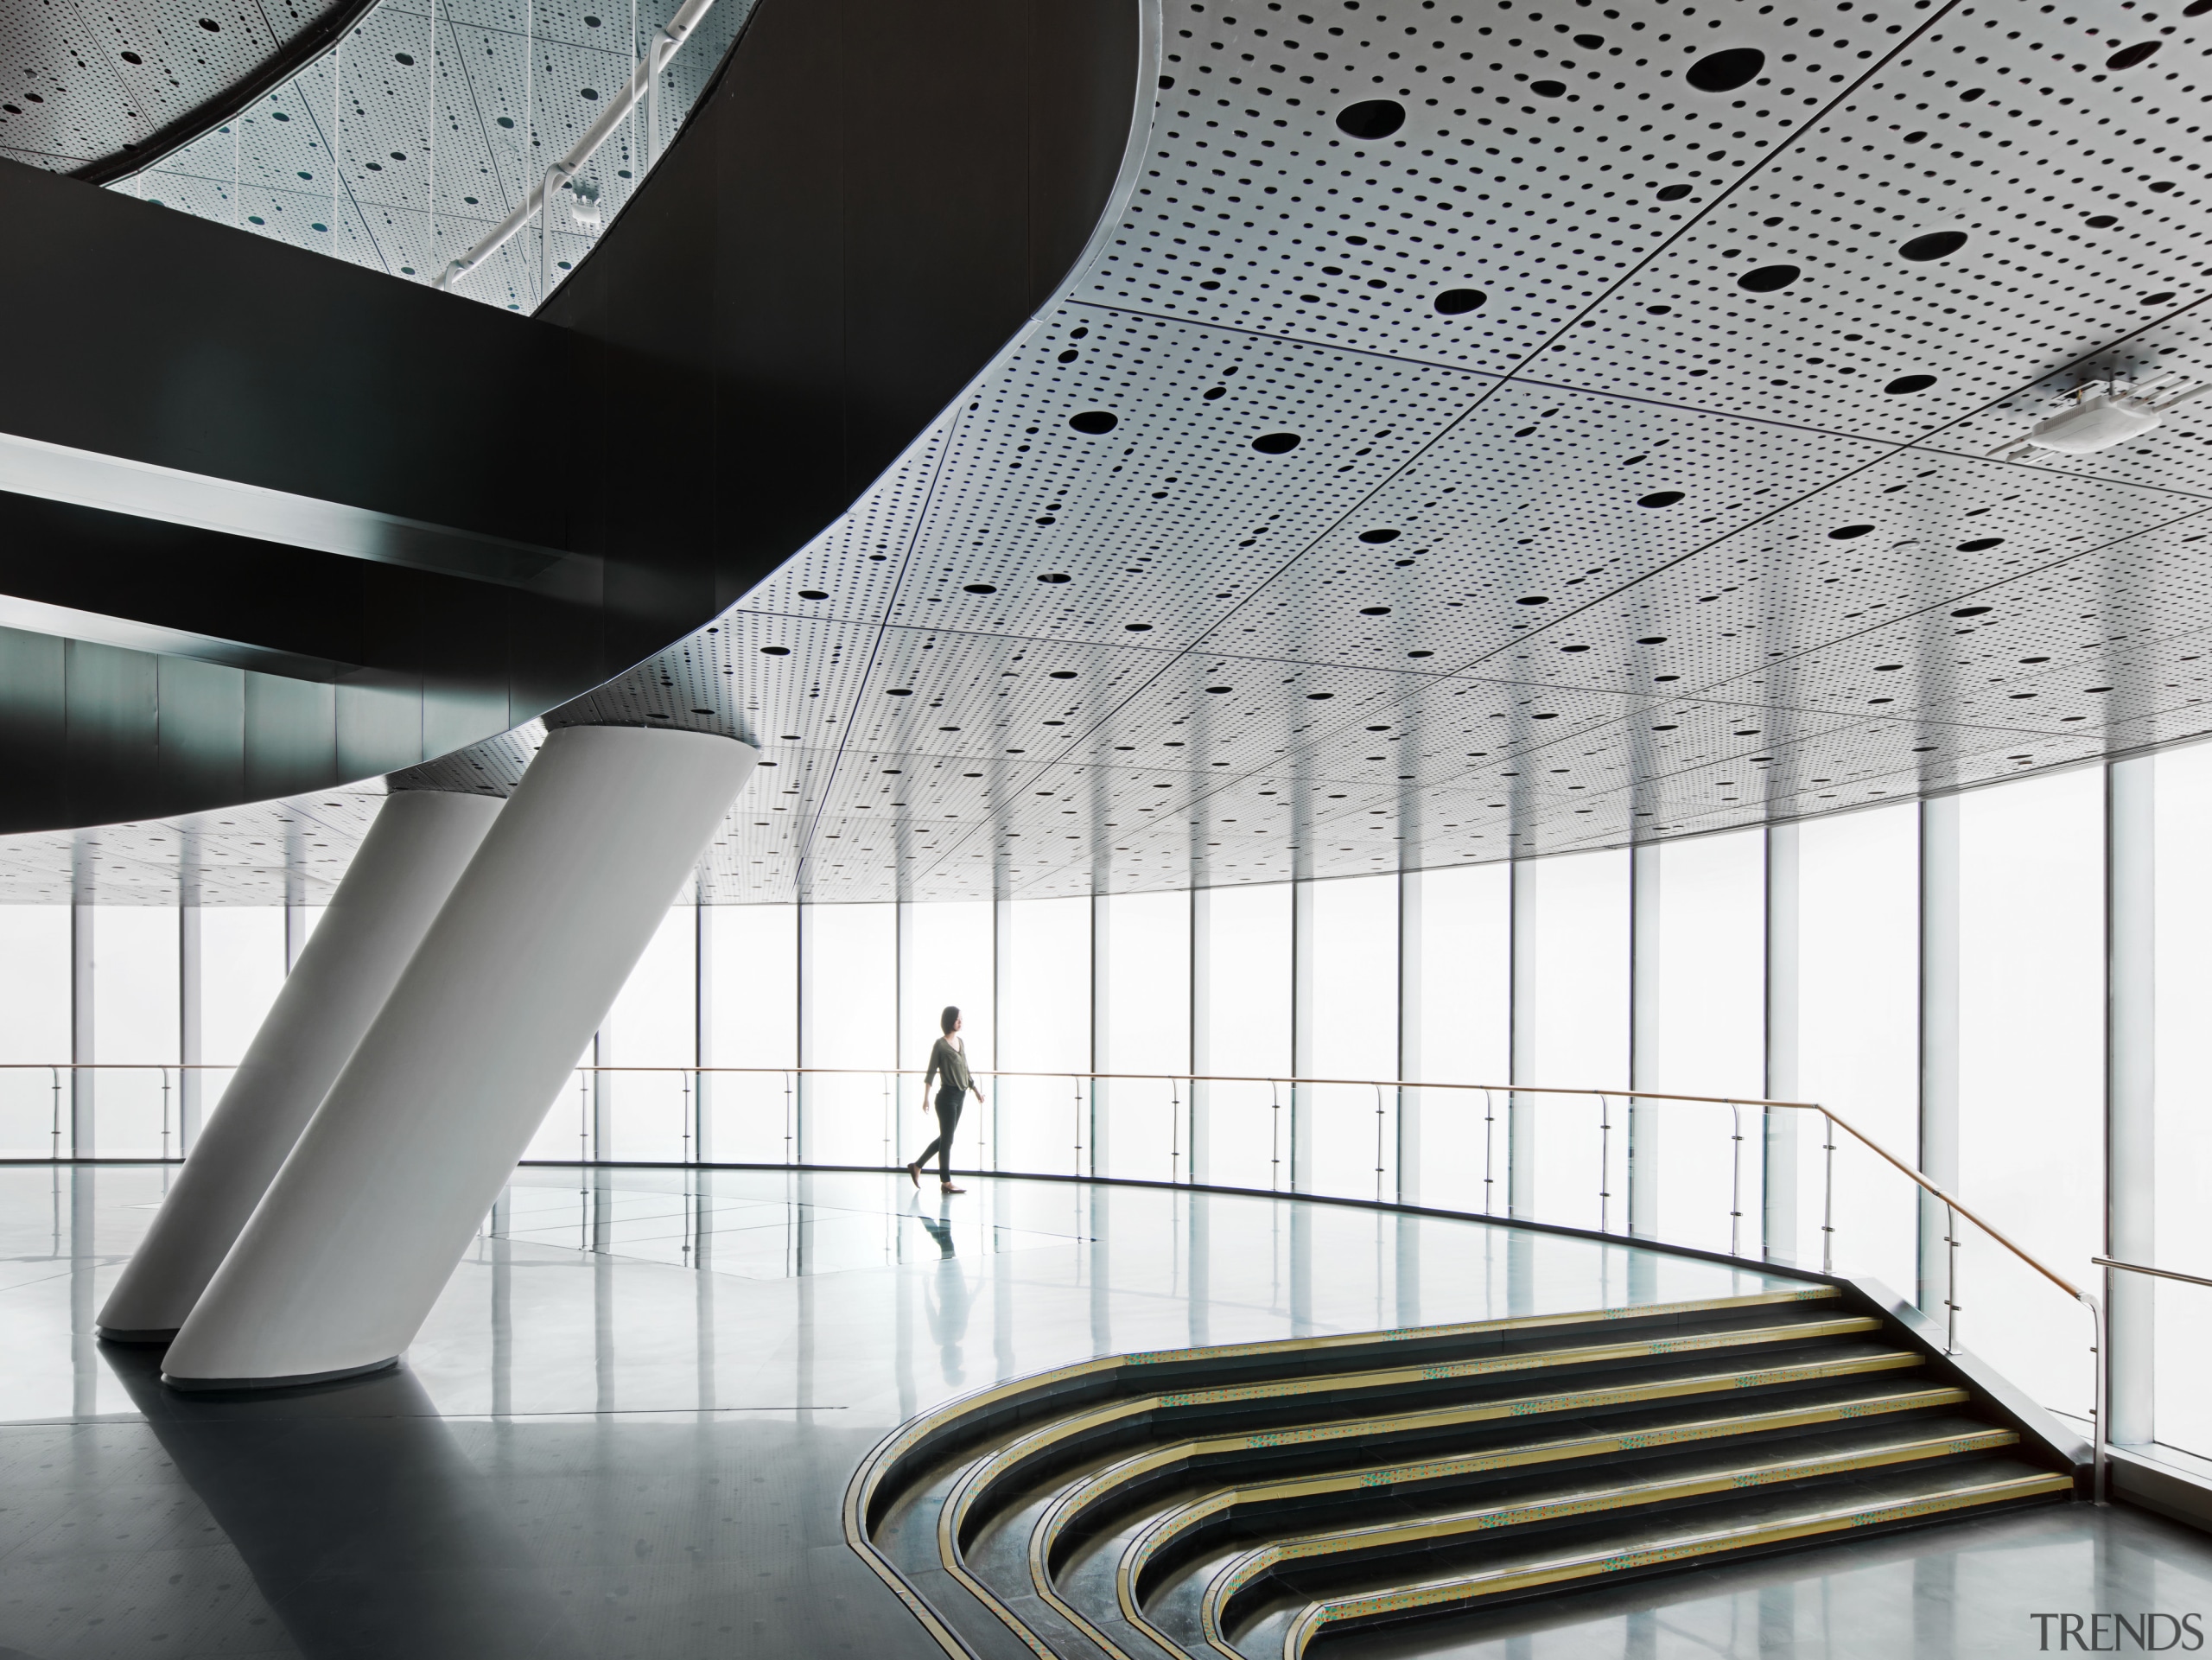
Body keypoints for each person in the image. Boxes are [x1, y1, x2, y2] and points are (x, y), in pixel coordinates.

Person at [909, 1006, 984, 1194]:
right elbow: (931, 1072)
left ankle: (917, 1166)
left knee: (946, 1138)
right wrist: (925, 1098)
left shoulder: (961, 1042)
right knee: (947, 1141)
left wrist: (975, 1090)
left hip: (960, 1097)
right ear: (950, 1020)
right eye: (958, 1019)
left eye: (961, 1019)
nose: (961, 1022)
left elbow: (966, 1070)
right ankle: (946, 1182)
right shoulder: (940, 1045)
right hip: (946, 1098)